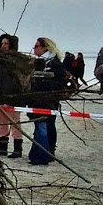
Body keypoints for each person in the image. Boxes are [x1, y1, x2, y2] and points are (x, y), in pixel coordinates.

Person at [27, 37, 69, 165]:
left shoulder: (53, 63)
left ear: (45, 47)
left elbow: (60, 81)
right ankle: (39, 153)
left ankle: (44, 155)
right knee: (42, 127)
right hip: (37, 99)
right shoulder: (37, 63)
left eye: (36, 46)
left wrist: (47, 86)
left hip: (47, 100)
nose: (34, 49)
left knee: (44, 126)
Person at [0, 34, 26, 158]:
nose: (3, 46)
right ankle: (3, 147)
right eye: (2, 43)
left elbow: (18, 80)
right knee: (2, 123)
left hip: (12, 97)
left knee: (15, 123)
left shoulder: (15, 60)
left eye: (6, 43)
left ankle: (17, 149)